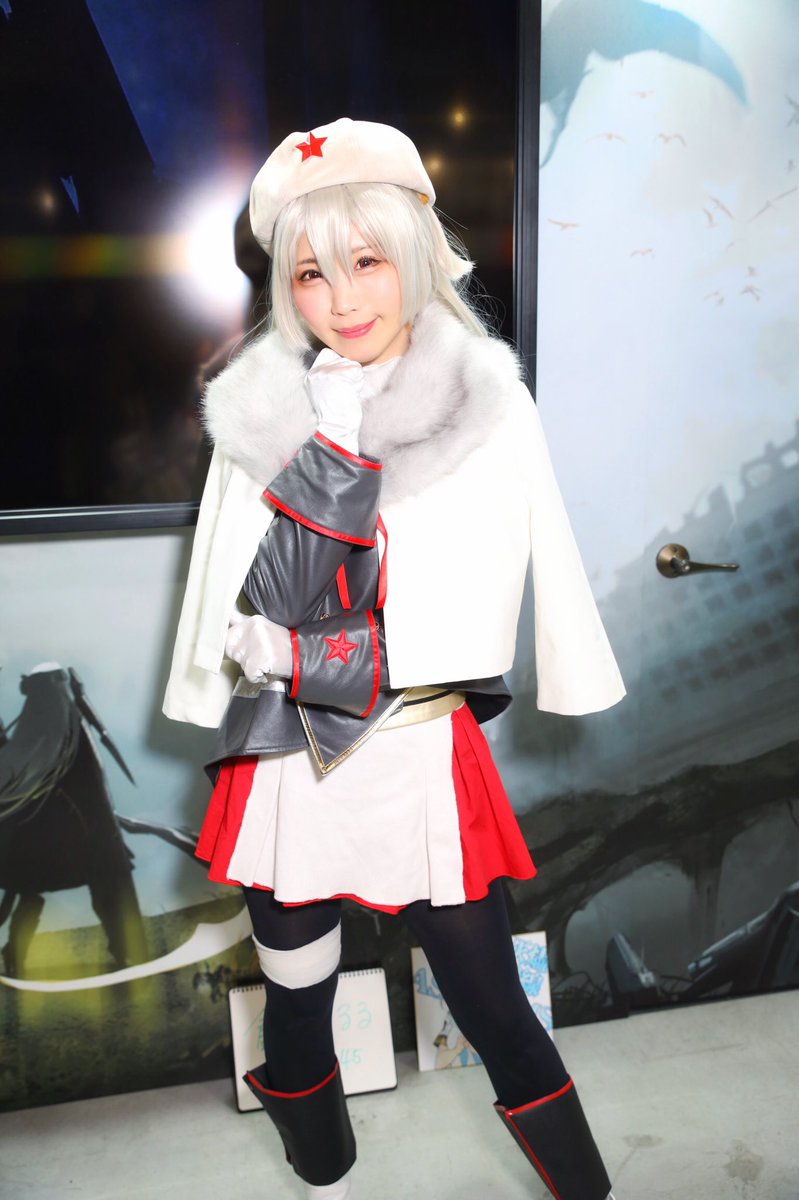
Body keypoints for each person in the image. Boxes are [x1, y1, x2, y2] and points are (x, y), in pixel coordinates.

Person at [163, 117, 625, 1200]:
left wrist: (568, 666)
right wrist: (328, 443)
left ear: (414, 255)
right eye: (311, 274)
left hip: (418, 751)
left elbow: (518, 568)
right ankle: (322, 1167)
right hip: (289, 762)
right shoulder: (260, 414)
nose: (342, 298)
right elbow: (252, 596)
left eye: (366, 260)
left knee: (495, 1011)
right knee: (297, 1002)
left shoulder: (485, 399)